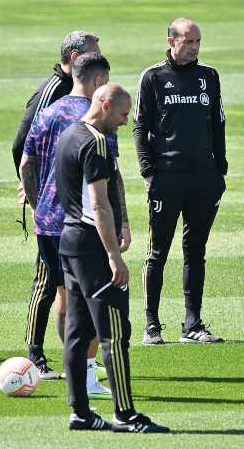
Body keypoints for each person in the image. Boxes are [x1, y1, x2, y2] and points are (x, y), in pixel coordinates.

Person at [56, 83, 168, 432]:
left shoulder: (70, 133)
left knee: (77, 332)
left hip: (68, 242)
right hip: (92, 247)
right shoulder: (96, 143)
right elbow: (100, 204)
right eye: (122, 114)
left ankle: (80, 412)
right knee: (114, 333)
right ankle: (125, 414)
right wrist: (114, 256)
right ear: (104, 105)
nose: (124, 121)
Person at [20, 53, 121, 397]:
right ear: (97, 82)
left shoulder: (47, 113)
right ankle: (87, 374)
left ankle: (75, 368)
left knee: (65, 297)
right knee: (92, 298)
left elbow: (26, 164)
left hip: (47, 222)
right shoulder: (97, 118)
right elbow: (111, 176)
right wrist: (120, 221)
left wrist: (38, 207)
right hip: (84, 221)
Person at [13, 31, 101, 378]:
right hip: (52, 206)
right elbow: (22, 145)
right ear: (76, 55)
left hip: (67, 205)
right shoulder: (53, 92)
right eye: (94, 53)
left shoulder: (80, 92)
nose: (99, 58)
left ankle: (78, 361)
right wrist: (33, 191)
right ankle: (35, 354)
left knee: (67, 285)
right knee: (47, 281)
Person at [135, 18, 227, 344]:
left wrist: (221, 172)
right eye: (189, 42)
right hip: (167, 179)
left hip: (203, 179)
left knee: (195, 251)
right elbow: (140, 127)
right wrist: (148, 172)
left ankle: (193, 325)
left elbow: (218, 125)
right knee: (157, 252)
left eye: (198, 42)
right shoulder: (153, 78)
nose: (195, 48)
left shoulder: (209, 77)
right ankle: (151, 326)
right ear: (171, 41)